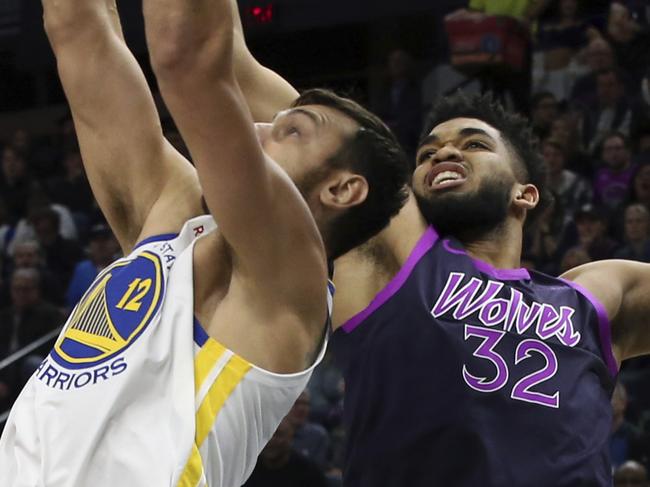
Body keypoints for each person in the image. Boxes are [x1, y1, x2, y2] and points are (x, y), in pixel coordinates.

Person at [0, 0, 409, 486]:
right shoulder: (174, 219)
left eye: (291, 132)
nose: (255, 128)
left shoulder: (292, 280)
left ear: (342, 190)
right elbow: (76, 30)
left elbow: (186, 57)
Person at [243, 417, 329, 487]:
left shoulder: (309, 472)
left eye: (278, 435)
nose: (270, 441)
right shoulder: (245, 470)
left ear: (291, 437)